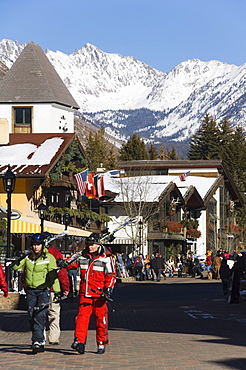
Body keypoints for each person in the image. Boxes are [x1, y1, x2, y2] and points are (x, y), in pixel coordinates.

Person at [58, 233, 116, 355]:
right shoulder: (82, 256)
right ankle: (79, 341)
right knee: (81, 318)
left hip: (99, 293)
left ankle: (101, 342)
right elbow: (71, 262)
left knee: (101, 319)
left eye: (93, 244)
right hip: (85, 292)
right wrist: (63, 263)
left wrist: (108, 289)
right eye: (89, 244)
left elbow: (111, 274)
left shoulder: (106, 257)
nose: (90, 247)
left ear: (98, 244)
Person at [12, 233, 61, 354]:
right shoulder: (28, 257)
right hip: (30, 291)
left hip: (43, 290)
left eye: (38, 245)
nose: (36, 247)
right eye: (34, 245)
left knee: (39, 315)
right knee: (31, 315)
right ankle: (37, 339)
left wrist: (57, 291)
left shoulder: (48, 258)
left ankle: (38, 341)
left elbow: (53, 276)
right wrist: (18, 257)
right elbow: (15, 268)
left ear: (42, 245)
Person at [41, 232, 70, 345]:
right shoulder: (56, 253)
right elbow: (61, 271)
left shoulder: (35, 253)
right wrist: (65, 287)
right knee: (54, 314)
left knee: (40, 314)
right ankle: (53, 338)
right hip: (53, 288)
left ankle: (40, 337)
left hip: (40, 288)